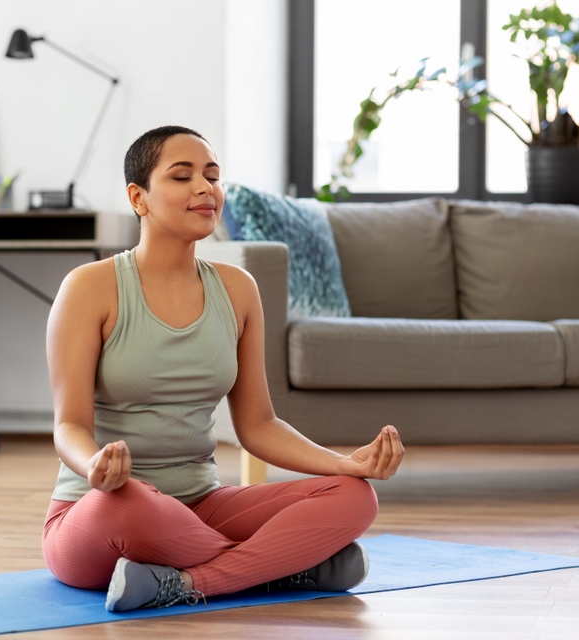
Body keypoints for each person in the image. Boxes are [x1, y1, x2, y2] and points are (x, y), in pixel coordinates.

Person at [43, 125, 405, 612]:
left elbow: (257, 424)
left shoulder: (238, 289)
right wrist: (95, 469)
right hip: (103, 511)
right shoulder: (89, 287)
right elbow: (68, 425)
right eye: (182, 175)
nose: (204, 188)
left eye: (212, 176)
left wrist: (343, 463)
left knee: (355, 497)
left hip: (203, 507)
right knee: (129, 504)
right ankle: (285, 568)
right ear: (139, 197)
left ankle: (189, 583)